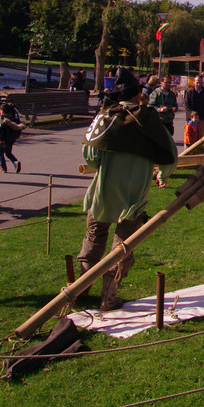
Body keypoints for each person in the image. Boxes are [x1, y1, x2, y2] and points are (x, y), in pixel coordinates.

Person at [77, 67, 177, 312]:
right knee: (122, 246)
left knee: (94, 237)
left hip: (104, 190)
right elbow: (170, 155)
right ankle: (108, 298)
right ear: (135, 95)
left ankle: (79, 291)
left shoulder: (105, 117)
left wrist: (104, 164)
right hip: (133, 194)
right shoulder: (148, 119)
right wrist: (162, 174)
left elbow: (90, 155)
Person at [0, 102, 24, 173]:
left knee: (0, 153)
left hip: (2, 140)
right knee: (8, 153)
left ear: (2, 111)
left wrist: (0, 139)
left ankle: (3, 167)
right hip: (11, 140)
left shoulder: (2, 120)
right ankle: (15, 162)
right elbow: (18, 129)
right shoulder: (14, 121)